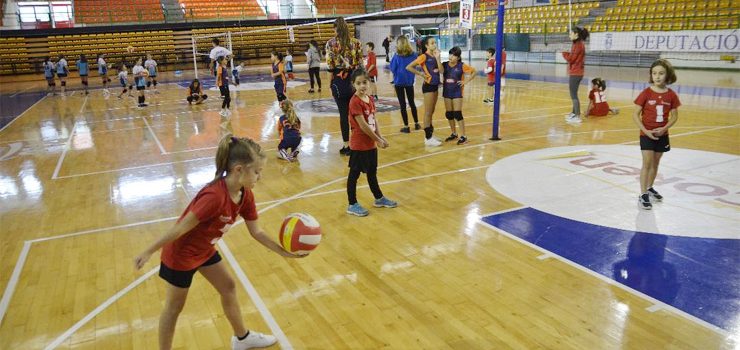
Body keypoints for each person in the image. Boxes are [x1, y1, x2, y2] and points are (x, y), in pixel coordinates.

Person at [133, 134, 303, 350]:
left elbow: (257, 232)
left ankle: (241, 338)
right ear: (239, 169)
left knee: (228, 287)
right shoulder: (214, 196)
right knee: (174, 307)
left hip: (204, 250)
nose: (259, 177)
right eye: (257, 172)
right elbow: (181, 227)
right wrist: (149, 251)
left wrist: (284, 252)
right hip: (181, 255)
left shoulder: (245, 195)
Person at [346, 70, 397, 217]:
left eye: (364, 82)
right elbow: (363, 126)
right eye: (358, 83)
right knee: (354, 175)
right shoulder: (354, 102)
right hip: (359, 145)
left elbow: (374, 121)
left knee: (372, 173)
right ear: (353, 84)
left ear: (369, 82)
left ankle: (379, 198)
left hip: (370, 144)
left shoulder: (370, 98)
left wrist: (381, 137)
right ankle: (352, 204)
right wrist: (377, 140)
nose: (362, 86)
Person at [633, 59, 680, 210]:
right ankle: (643, 194)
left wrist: (664, 128)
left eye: (661, 73)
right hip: (646, 134)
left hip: (662, 135)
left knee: (655, 163)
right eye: (654, 73)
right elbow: (635, 114)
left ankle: (650, 187)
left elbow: (674, 116)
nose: (657, 76)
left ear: (667, 75)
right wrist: (645, 131)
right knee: (646, 163)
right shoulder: (646, 93)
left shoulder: (671, 95)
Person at [325, 17, 364, 156]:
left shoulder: (330, 43)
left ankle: (346, 145)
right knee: (356, 114)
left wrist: (330, 84)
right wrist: (361, 84)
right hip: (355, 80)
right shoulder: (356, 43)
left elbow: (330, 66)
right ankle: (357, 143)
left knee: (343, 114)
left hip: (338, 80)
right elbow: (361, 65)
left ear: (335, 28)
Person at [406, 36, 443, 147]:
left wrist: (437, 58)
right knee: (428, 112)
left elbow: (441, 71)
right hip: (428, 86)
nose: (434, 44)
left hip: (436, 86)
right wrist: (421, 74)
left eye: (435, 42)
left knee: (431, 111)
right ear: (426, 45)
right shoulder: (423, 56)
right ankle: (428, 138)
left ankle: (430, 135)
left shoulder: (435, 55)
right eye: (432, 43)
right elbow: (409, 67)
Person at [442, 46, 476, 145]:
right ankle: (454, 133)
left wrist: (466, 81)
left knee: (457, 114)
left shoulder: (461, 66)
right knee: (449, 114)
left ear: (458, 57)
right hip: (447, 92)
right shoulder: (444, 65)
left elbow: (474, 71)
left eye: (453, 55)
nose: (451, 57)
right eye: (450, 54)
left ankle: (464, 136)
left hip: (457, 92)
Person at [389, 36, 419, 133]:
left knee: (402, 105)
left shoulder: (397, 56)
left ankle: (406, 126)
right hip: (409, 81)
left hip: (399, 82)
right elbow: (416, 65)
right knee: (412, 103)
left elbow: (392, 68)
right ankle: (417, 123)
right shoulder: (414, 55)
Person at [563, 26, 589, 124]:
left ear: (576, 34)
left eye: (571, 33)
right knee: (574, 94)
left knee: (573, 95)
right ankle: (574, 113)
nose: (569, 35)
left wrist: (564, 53)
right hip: (576, 72)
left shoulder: (578, 45)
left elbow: (571, 59)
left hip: (576, 73)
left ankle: (577, 116)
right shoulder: (577, 44)